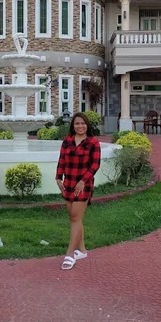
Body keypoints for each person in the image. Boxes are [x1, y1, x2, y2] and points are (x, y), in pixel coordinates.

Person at [55, 112, 101, 270]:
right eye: (77, 124)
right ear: (72, 126)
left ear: (87, 125)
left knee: (75, 217)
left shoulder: (93, 142)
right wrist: (57, 178)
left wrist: (83, 181)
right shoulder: (67, 141)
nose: (80, 126)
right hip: (68, 183)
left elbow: (95, 165)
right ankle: (81, 250)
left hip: (83, 184)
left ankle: (69, 254)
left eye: (83, 123)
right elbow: (61, 160)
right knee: (74, 217)